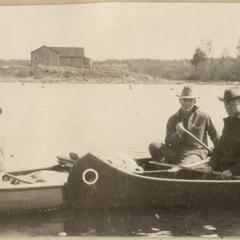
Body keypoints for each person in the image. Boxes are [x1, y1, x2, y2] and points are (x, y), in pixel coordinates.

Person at [149, 86, 219, 167]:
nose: (187, 103)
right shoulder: (172, 119)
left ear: (195, 101)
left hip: (195, 153)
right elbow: (168, 142)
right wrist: (177, 134)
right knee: (154, 145)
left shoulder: (204, 117)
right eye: (184, 100)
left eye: (190, 100)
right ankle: (165, 169)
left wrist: (222, 153)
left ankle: (176, 170)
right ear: (180, 101)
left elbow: (215, 137)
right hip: (177, 153)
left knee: (184, 167)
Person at [209, 87, 240, 178]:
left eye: (231, 103)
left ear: (238, 102)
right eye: (226, 103)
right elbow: (218, 148)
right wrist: (211, 165)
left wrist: (233, 171)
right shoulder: (229, 123)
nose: (227, 106)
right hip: (224, 169)